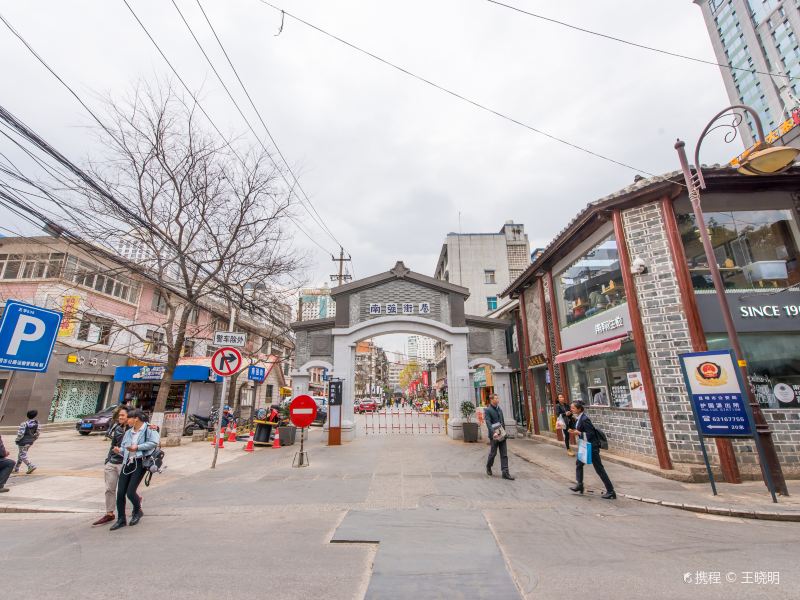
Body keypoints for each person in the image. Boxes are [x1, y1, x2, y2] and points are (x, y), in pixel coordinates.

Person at [110, 409, 160, 531]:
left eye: (129, 418)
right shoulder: (128, 432)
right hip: (127, 462)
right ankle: (121, 519)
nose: (127, 420)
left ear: (136, 418)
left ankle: (137, 511)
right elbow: (124, 447)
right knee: (120, 492)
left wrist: (137, 447)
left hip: (140, 462)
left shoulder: (149, 429)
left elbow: (154, 442)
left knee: (130, 492)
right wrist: (119, 450)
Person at [568, 400, 615, 499]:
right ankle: (579, 484)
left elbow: (590, 434)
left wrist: (578, 433)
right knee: (579, 464)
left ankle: (611, 491)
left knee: (599, 469)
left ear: (579, 409)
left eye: (573, 408)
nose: (571, 409)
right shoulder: (579, 418)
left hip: (591, 447)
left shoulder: (585, 419)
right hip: (584, 445)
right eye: (571, 408)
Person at [92, 406, 129, 526]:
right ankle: (110, 513)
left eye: (123, 415)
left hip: (126, 463)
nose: (120, 417)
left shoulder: (134, 429)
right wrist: (108, 460)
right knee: (109, 489)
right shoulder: (117, 428)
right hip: (113, 462)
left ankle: (136, 504)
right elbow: (113, 445)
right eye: (119, 415)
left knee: (128, 491)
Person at [484, 393, 514, 480]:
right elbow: (488, 422)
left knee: (504, 454)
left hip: (502, 434)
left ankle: (505, 472)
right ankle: (488, 466)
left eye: (498, 398)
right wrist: (493, 432)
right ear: (492, 400)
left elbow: (502, 421)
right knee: (493, 453)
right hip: (494, 436)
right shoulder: (488, 410)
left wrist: (504, 433)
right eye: (496, 398)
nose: (498, 400)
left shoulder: (499, 409)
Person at [14, 409, 40, 474]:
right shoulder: (37, 424)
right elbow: (37, 433)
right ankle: (16, 468)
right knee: (21, 453)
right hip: (30, 441)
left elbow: (20, 434)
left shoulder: (24, 424)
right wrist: (33, 439)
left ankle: (30, 465)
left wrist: (17, 440)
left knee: (22, 454)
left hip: (22, 441)